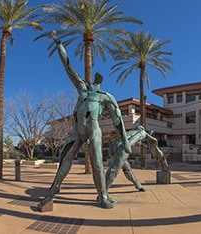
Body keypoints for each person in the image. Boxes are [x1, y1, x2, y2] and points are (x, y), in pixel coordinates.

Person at [41, 34, 133, 209]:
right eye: (93, 81)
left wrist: (125, 141)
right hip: (77, 129)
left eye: (97, 81)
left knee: (98, 163)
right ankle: (54, 188)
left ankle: (103, 195)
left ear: (100, 83)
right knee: (65, 158)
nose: (93, 82)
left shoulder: (106, 97)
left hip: (93, 128)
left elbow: (118, 120)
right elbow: (69, 68)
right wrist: (60, 46)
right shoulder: (82, 88)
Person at [105, 125, 169, 191]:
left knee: (127, 169)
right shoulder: (141, 133)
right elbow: (132, 141)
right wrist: (127, 147)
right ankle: (103, 192)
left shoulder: (131, 133)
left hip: (112, 146)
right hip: (123, 147)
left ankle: (138, 185)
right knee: (114, 170)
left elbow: (144, 145)